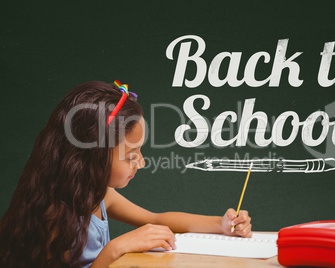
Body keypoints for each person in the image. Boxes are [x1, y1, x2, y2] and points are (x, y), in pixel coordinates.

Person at [0, 81, 252, 268]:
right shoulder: (55, 217)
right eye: (131, 155)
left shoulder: (100, 196)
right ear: (93, 153)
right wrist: (116, 248)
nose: (140, 162)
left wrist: (221, 225)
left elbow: (156, 218)